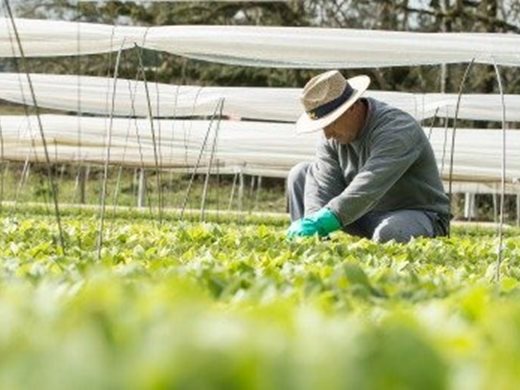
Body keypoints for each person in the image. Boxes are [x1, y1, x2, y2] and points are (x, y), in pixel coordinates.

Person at [286, 70, 450, 242]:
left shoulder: (397, 128)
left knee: (391, 233)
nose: (327, 134)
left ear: (352, 107)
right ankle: (308, 240)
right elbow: (322, 185)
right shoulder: (331, 138)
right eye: (322, 125)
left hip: (411, 213)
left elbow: (369, 186)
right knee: (301, 173)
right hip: (360, 213)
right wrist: (313, 222)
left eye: (331, 122)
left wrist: (326, 219)